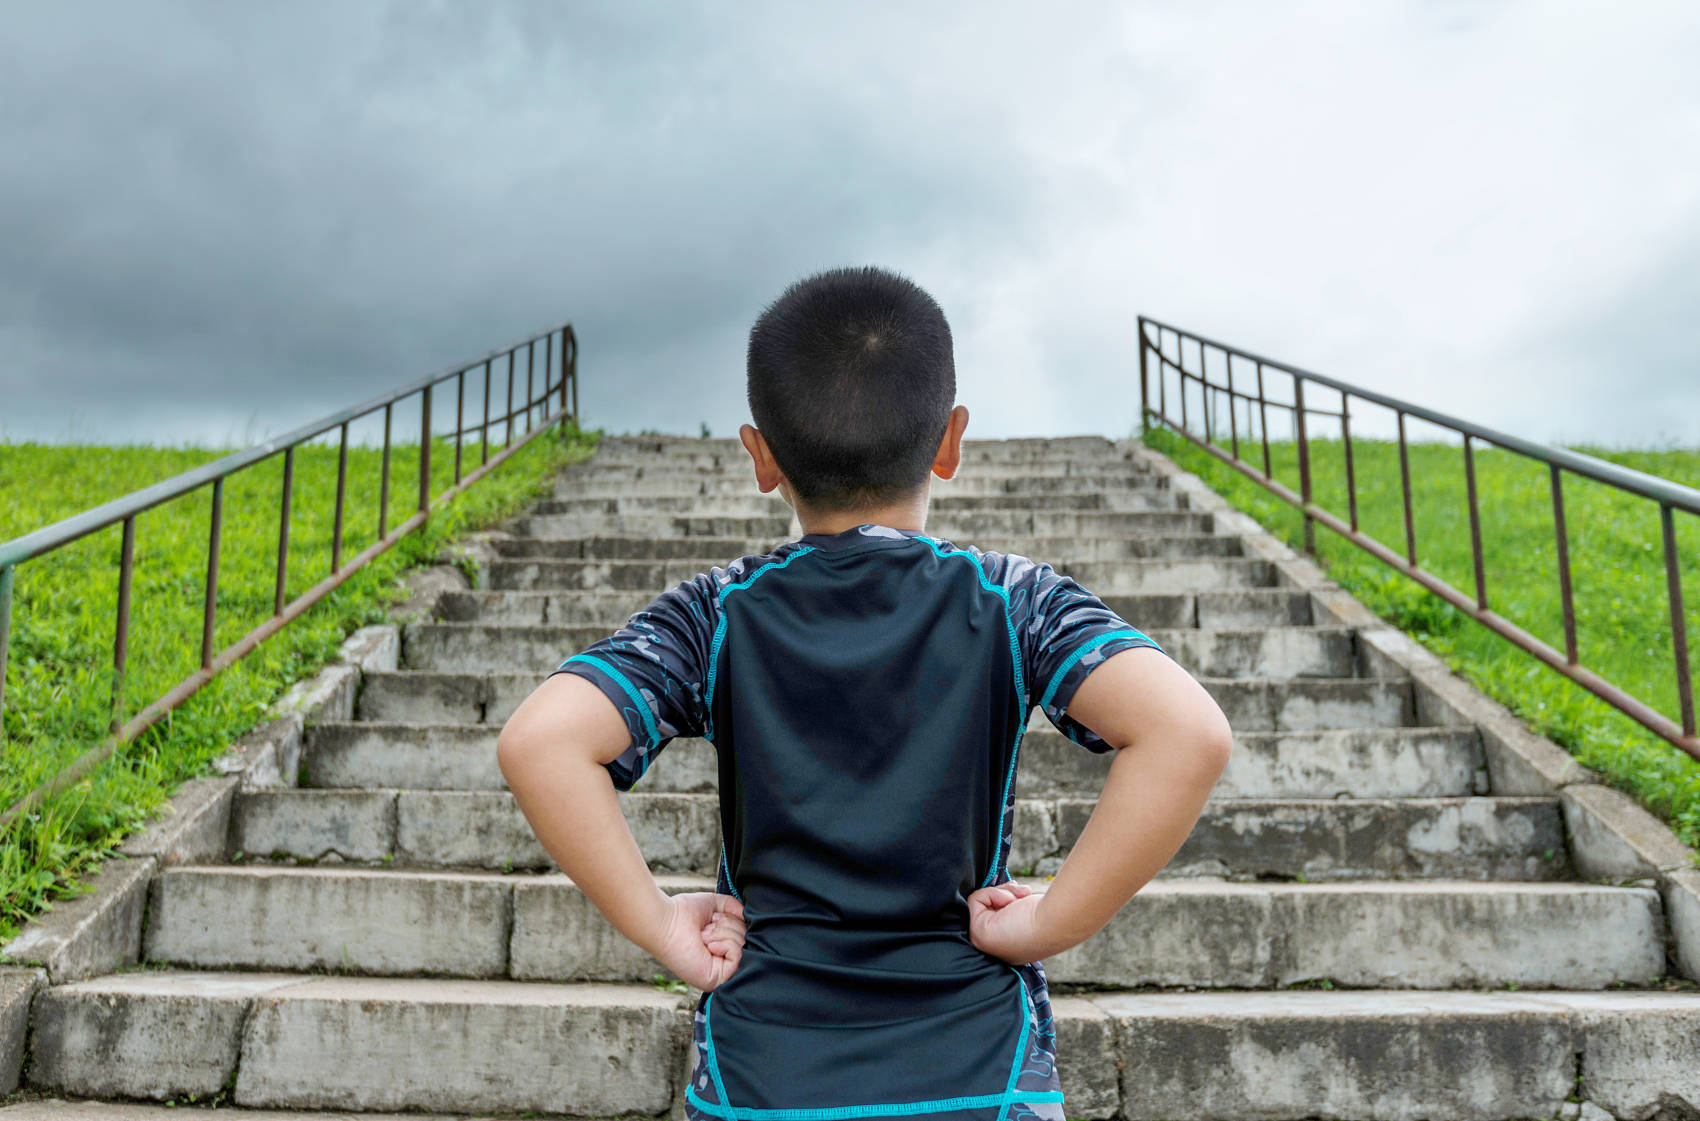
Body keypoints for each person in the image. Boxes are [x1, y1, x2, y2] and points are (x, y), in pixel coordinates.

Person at [496, 265, 1234, 1121]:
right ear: (950, 441)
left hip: (764, 1078)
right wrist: (1050, 922)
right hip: (980, 1074)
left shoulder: (715, 614)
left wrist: (663, 926)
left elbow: (539, 742)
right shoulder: (1012, 600)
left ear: (761, 456)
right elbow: (1189, 733)